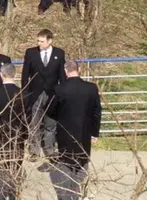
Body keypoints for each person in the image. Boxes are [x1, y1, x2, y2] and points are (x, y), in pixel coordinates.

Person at [47, 59, 101, 200]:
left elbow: (50, 110)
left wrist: (60, 117)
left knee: (66, 162)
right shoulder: (91, 88)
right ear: (79, 70)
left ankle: (67, 194)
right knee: (82, 162)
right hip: (84, 132)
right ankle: (79, 193)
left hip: (64, 132)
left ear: (65, 71)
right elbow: (97, 112)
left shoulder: (59, 89)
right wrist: (94, 133)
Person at [0, 63, 30, 200]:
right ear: (15, 75)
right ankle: (12, 195)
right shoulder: (24, 94)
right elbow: (27, 118)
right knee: (14, 170)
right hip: (17, 137)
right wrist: (25, 135)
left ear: (1, 75)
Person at [22, 28, 67, 160]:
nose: (39, 43)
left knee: (50, 123)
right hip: (35, 93)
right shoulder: (31, 53)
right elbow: (25, 75)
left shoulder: (59, 53)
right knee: (34, 123)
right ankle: (34, 151)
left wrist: (62, 92)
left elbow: (62, 76)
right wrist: (25, 93)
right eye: (38, 41)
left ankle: (50, 150)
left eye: (42, 41)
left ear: (50, 40)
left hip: (52, 94)